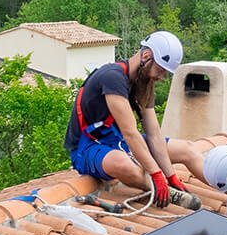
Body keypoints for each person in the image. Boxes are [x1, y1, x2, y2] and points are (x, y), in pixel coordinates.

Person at [65, 30, 193, 208]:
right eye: (160, 70)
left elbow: (154, 134)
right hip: (88, 147)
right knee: (125, 165)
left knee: (187, 149)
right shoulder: (112, 77)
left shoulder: (142, 82)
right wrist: (156, 175)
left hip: (116, 141)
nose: (161, 77)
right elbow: (130, 133)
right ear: (146, 55)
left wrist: (170, 175)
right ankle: (166, 193)